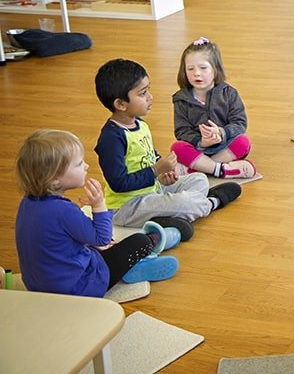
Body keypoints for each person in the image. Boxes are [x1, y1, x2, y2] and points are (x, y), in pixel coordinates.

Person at [14, 129, 179, 297]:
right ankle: (148, 246)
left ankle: (139, 256)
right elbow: (103, 237)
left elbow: (61, 239)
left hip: (38, 287)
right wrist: (99, 205)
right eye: (79, 164)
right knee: (138, 241)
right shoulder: (64, 211)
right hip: (80, 289)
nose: (86, 166)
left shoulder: (26, 203)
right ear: (54, 179)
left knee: (100, 244)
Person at [94, 59, 242, 241]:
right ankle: (212, 202)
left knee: (199, 179)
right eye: (142, 93)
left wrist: (163, 174)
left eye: (148, 90)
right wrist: (156, 170)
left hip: (152, 190)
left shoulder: (139, 123)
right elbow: (118, 183)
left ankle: (175, 213)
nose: (150, 97)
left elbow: (149, 156)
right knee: (186, 202)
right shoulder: (111, 139)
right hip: (128, 207)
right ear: (120, 104)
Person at [171, 37, 256, 179]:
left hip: (224, 147)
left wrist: (221, 132)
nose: (196, 73)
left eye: (203, 68)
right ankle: (222, 170)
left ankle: (200, 169)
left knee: (243, 142)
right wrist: (201, 141)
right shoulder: (181, 99)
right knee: (177, 148)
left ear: (215, 69)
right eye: (190, 69)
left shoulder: (229, 93)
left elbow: (239, 123)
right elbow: (181, 131)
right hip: (198, 149)